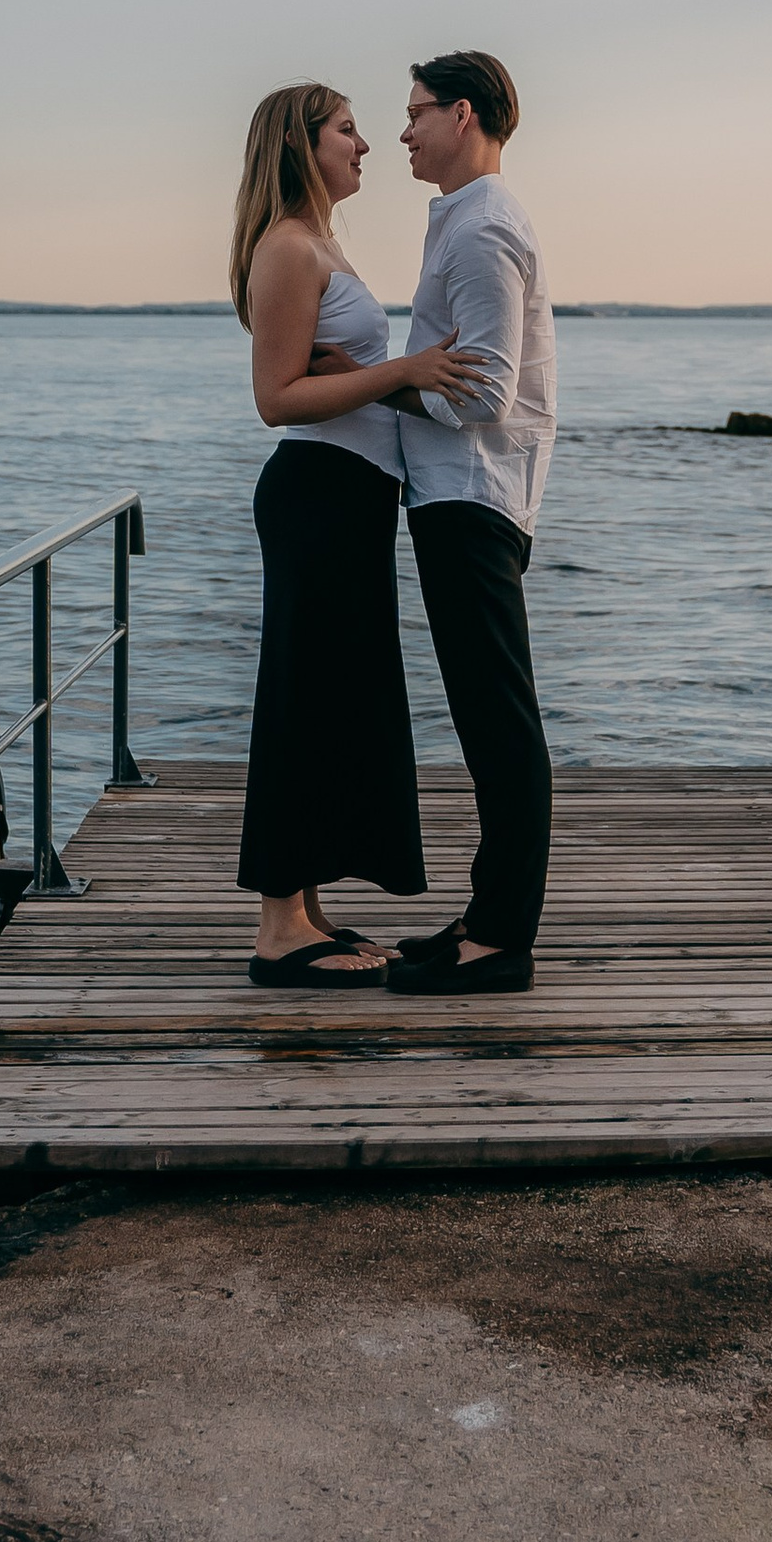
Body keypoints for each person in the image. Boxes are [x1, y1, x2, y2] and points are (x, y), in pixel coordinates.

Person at [230, 82, 490, 989]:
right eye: (347, 130)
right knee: (302, 698)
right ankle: (276, 932)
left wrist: (385, 376)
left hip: (350, 498)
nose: (366, 145)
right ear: (300, 146)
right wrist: (402, 371)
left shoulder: (319, 244)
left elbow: (327, 374)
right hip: (318, 497)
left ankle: (302, 911)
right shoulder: (287, 248)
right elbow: (276, 400)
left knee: (333, 698)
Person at [382, 50, 557, 1000]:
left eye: (416, 112)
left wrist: (381, 384)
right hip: (459, 497)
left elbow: (483, 393)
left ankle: (502, 941)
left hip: (475, 498)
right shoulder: (462, 217)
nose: (403, 131)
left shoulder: (484, 228)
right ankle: (489, 916)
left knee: (499, 724)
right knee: (487, 720)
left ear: (463, 114)